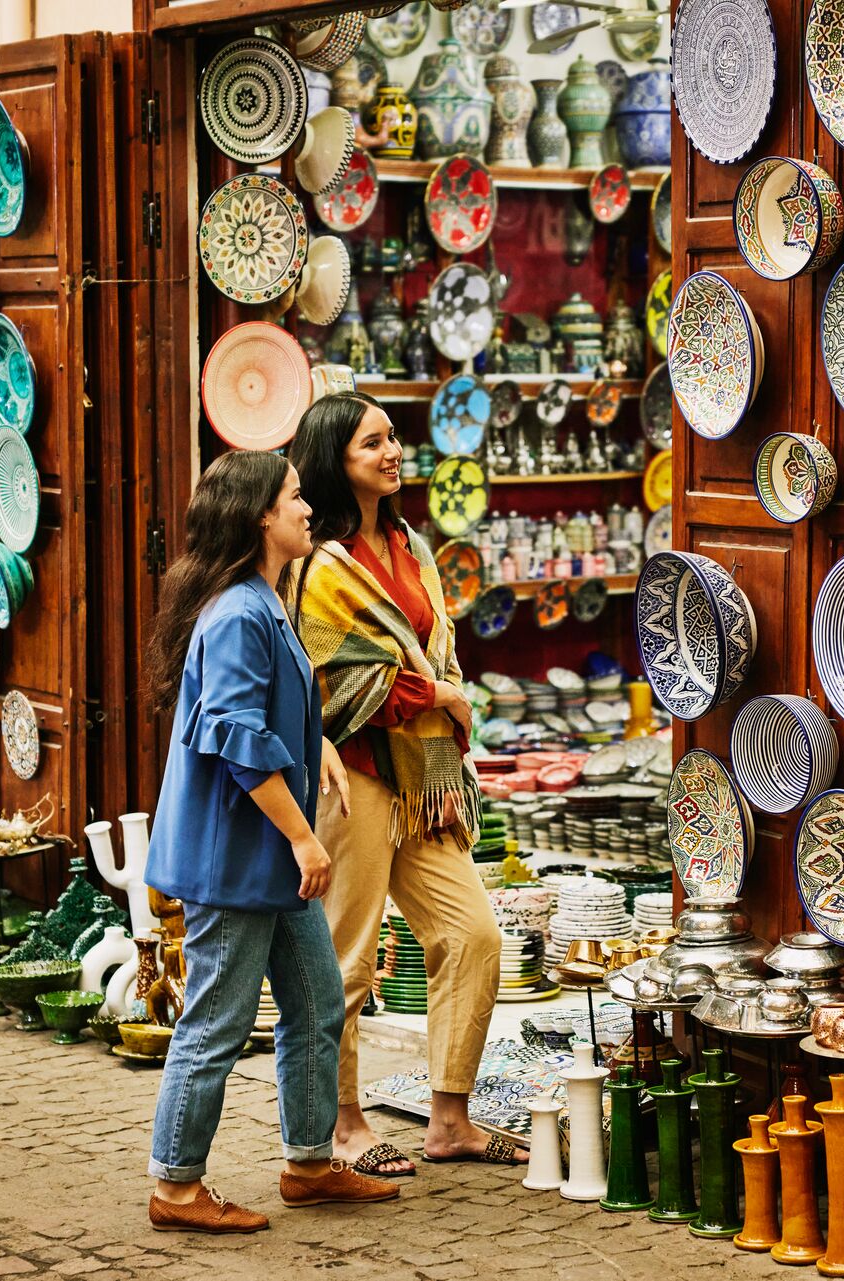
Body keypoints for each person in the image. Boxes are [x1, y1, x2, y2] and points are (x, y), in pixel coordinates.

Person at [140, 449, 399, 1233]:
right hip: (240, 857)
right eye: (292, 496)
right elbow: (235, 738)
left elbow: (270, 710)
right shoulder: (241, 611)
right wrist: (305, 840)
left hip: (266, 859)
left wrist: (314, 741)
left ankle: (310, 1162)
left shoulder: (260, 598)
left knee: (318, 1000)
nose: (305, 505)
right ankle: (177, 1187)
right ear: (259, 514)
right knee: (216, 1020)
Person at [290, 393, 524, 1177]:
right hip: (353, 777)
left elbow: (435, 653)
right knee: (346, 959)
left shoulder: (411, 545)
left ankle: (448, 1118)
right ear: (335, 460)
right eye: (372, 444)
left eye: (393, 438)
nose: (393, 452)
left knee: (472, 934)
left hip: (422, 780)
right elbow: (333, 682)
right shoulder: (322, 566)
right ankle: (344, 1122)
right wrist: (438, 698)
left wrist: (441, 718)